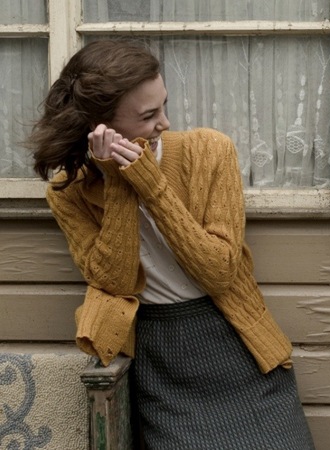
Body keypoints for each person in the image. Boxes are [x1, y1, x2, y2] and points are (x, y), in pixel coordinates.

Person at [29, 39, 315, 450]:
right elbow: (116, 281)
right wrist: (118, 183)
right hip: (159, 358)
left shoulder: (210, 151)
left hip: (237, 345)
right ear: (99, 127)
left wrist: (151, 185)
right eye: (148, 116)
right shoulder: (69, 193)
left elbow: (219, 271)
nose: (164, 122)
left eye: (164, 105)